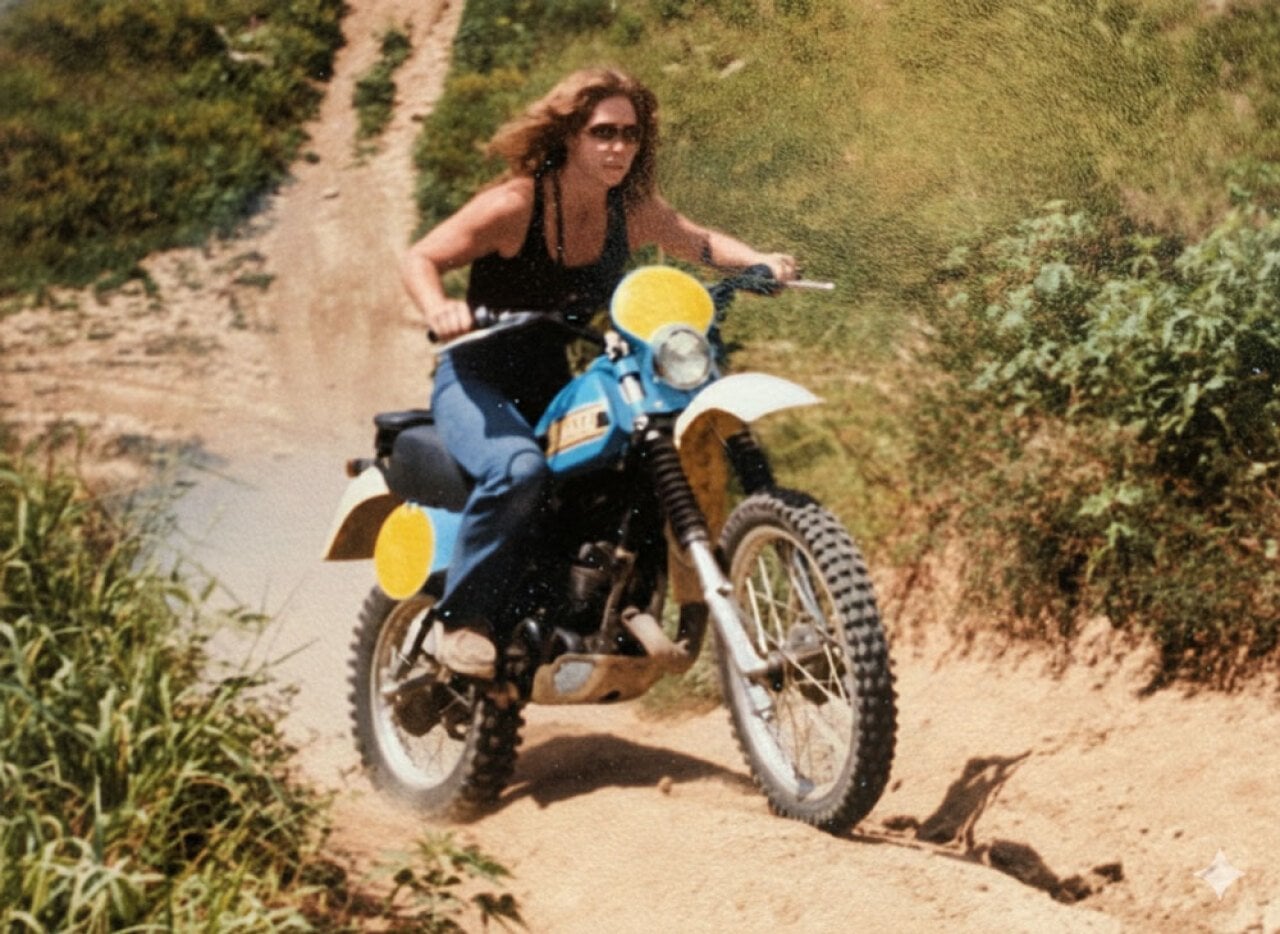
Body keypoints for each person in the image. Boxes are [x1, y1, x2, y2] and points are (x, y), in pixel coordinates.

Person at [401, 67, 798, 679]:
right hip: (478, 377)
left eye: (630, 135)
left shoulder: (629, 210)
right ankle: (464, 622)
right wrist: (439, 308)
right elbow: (422, 256)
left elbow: (697, 242)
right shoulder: (516, 205)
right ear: (569, 137)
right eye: (602, 132)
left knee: (631, 455)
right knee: (519, 470)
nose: (618, 147)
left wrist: (761, 263)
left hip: (551, 377)